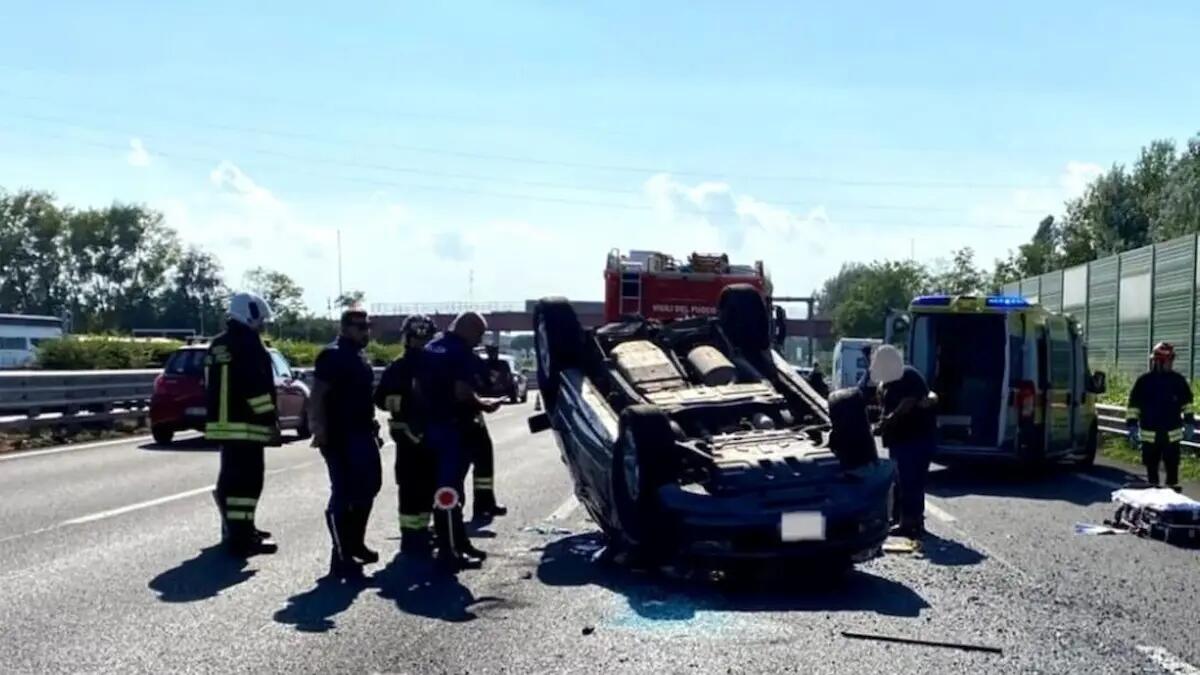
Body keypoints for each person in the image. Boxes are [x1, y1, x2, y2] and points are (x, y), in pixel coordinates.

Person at [416, 311, 502, 572]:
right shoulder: (460, 352)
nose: (480, 339)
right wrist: (484, 405)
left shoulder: (432, 347)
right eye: (479, 333)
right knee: (450, 492)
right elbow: (462, 391)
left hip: (432, 428)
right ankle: (449, 551)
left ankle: (459, 542)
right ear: (468, 329)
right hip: (454, 428)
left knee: (446, 489)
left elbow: (417, 388)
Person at [205, 292, 281, 557]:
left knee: (230, 478)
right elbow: (256, 386)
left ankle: (240, 529)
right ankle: (242, 539)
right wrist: (270, 419)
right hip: (247, 426)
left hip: (221, 425)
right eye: (261, 321)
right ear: (250, 315)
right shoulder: (250, 344)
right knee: (247, 484)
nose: (263, 326)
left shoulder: (217, 344)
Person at [310, 309, 383, 578]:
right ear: (345, 327)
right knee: (343, 493)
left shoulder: (358, 356)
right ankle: (342, 556)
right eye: (361, 327)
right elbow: (317, 395)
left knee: (369, 487)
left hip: (362, 432)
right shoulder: (333, 355)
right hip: (340, 436)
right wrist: (318, 428)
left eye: (368, 326)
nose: (366, 331)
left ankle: (355, 543)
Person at [373, 314, 438, 555]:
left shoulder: (422, 365)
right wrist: (406, 404)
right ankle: (413, 535)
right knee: (415, 486)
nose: (421, 342)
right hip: (415, 436)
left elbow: (381, 399)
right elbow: (381, 399)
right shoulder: (406, 366)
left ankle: (419, 532)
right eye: (418, 338)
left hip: (422, 435)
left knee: (422, 486)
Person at [871, 344, 938, 540]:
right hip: (899, 439)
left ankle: (910, 523)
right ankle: (904, 519)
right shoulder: (888, 382)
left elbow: (908, 403)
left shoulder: (907, 375)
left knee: (911, 481)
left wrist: (888, 420)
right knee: (901, 481)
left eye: (878, 361)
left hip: (915, 438)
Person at [1126, 342, 1194, 491]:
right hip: (1150, 435)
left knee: (1172, 467)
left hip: (1172, 435)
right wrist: (1131, 425)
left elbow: (1187, 404)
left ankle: (1172, 496)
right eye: (1169, 360)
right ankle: (1153, 493)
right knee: (1151, 470)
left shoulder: (1178, 381)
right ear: (1158, 361)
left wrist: (1189, 422)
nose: (1171, 364)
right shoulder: (1144, 381)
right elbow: (1133, 406)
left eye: (1171, 360)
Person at [467, 345, 508, 520]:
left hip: (474, 419)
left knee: (484, 462)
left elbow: (484, 385)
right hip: (458, 421)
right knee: (454, 472)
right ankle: (448, 519)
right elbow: (462, 392)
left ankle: (485, 504)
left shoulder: (473, 361)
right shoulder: (458, 359)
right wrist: (484, 404)